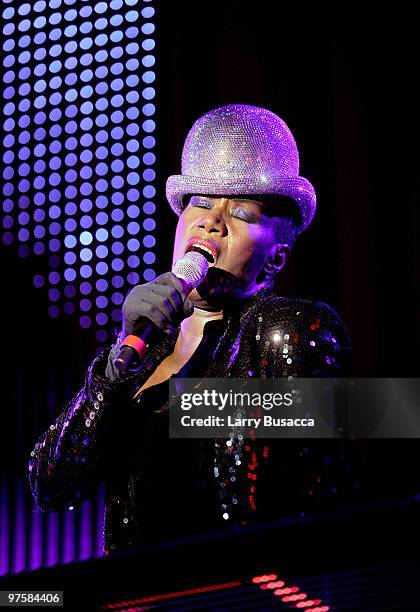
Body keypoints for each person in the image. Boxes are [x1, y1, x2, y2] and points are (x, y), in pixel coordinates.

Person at [28, 105, 352, 555]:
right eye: (200, 202)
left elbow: (350, 448)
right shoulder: (142, 351)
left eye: (241, 212)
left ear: (275, 259)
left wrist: (162, 410)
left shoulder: (287, 326)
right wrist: (112, 375)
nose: (211, 220)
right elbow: (50, 487)